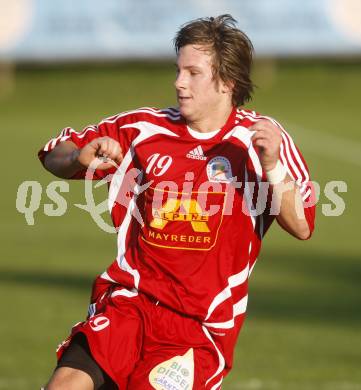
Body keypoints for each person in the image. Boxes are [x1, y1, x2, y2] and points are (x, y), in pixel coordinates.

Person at [39, 14, 315, 390]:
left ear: (227, 82)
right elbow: (55, 151)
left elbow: (302, 225)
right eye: (177, 70)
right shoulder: (143, 128)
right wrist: (78, 158)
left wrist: (272, 167)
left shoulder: (259, 140)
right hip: (129, 303)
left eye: (192, 72)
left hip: (199, 327)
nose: (178, 83)